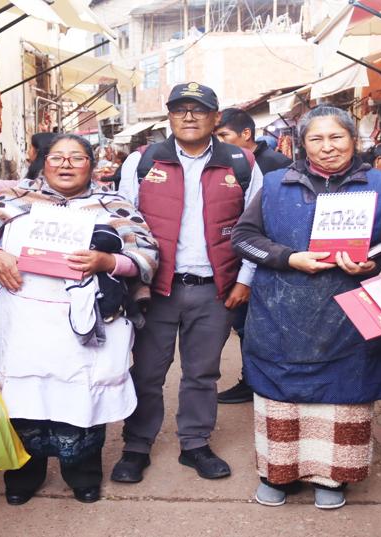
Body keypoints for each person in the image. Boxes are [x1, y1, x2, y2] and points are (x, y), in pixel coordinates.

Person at [232, 105, 381, 510]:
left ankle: (333, 480)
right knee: (281, 397)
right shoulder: (277, 183)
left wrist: (376, 264)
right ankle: (277, 475)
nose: (327, 147)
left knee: (344, 398)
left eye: (337, 137)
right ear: (302, 144)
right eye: (316, 138)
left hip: (349, 318)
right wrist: (287, 257)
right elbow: (243, 238)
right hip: (282, 314)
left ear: (355, 140)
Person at [0, 133, 159, 506]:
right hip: (22, 323)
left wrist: (108, 262)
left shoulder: (111, 204)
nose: (66, 164)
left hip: (82, 325)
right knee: (21, 401)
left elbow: (146, 256)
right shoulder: (16, 199)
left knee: (80, 401)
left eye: (77, 157)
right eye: (57, 157)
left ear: (92, 164)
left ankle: (82, 475)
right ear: (43, 162)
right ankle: (22, 474)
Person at [111, 82, 262, 483]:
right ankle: (137, 445)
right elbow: (124, 225)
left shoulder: (240, 163)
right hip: (157, 289)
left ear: (216, 118)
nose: (189, 116)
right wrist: (134, 282)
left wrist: (243, 280)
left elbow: (255, 227)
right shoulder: (142, 162)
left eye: (199, 110)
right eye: (181, 109)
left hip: (215, 289)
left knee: (202, 373)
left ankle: (195, 443)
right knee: (146, 372)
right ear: (170, 116)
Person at [213, 107, 293, 404]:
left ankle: (258, 383)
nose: (218, 142)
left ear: (245, 134)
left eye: (224, 135)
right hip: (242, 255)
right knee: (246, 325)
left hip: (269, 259)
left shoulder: (274, 164)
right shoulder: (228, 162)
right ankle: (255, 380)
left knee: (258, 327)